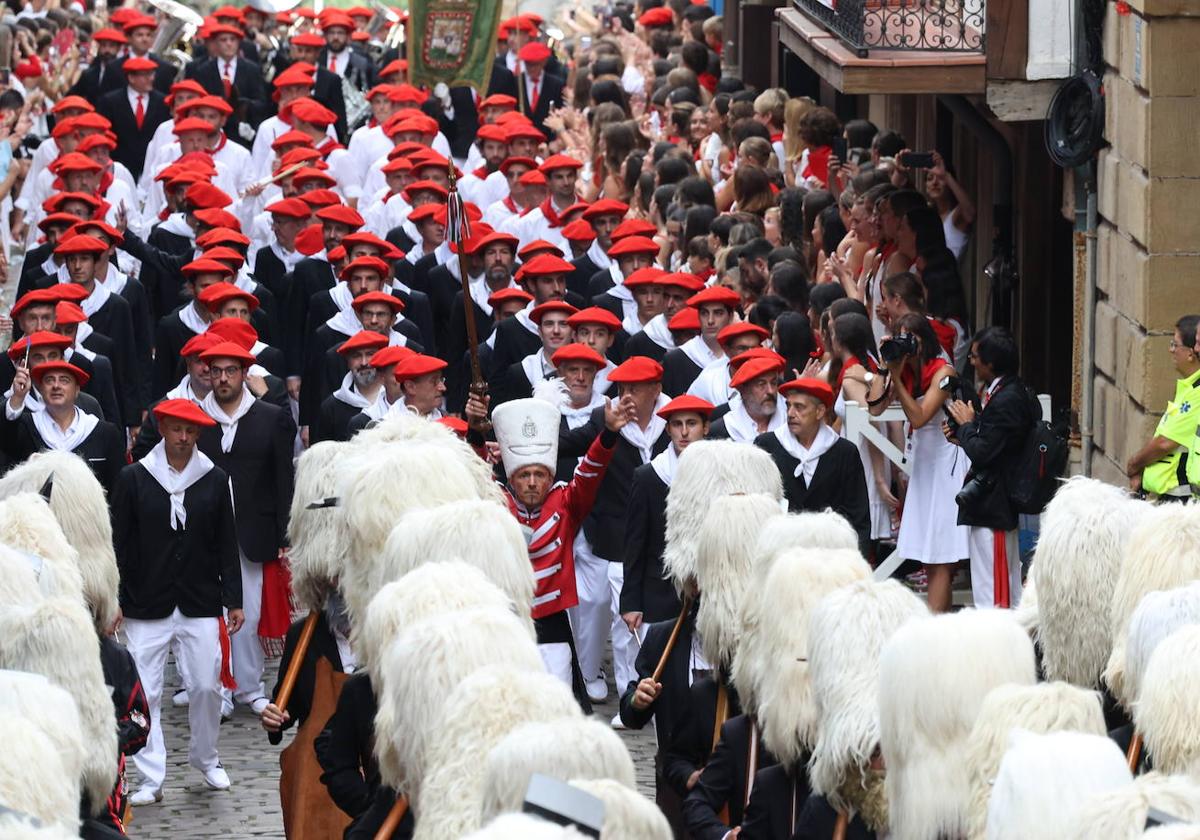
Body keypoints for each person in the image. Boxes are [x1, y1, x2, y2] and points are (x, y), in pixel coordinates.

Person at [112, 398, 242, 804]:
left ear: (198, 434)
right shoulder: (134, 478)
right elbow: (120, 543)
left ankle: (206, 757)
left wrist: (233, 599)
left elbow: (226, 541)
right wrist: (114, 596)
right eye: (176, 429)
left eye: (191, 431)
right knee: (146, 692)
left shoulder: (215, 478)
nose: (183, 438)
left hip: (200, 598)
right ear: (163, 429)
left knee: (207, 684)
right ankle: (151, 776)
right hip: (144, 600)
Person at [466, 388, 633, 696]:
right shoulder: (497, 502)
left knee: (556, 701)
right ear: (512, 479)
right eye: (524, 475)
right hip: (508, 615)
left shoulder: (566, 503)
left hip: (552, 617)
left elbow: (590, 472)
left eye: (539, 474)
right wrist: (475, 432)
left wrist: (608, 434)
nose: (532, 482)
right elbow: (476, 475)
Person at [195, 341, 295, 719]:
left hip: (255, 531)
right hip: (206, 532)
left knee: (249, 613)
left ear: (244, 374)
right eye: (216, 371)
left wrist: (285, 534)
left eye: (230, 371)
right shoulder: (196, 420)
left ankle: (249, 687)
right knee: (211, 614)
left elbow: (283, 479)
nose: (222, 378)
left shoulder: (270, 417)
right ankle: (219, 687)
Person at [944, 326, 1037, 609]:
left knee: (995, 593)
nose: (971, 362)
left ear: (991, 363)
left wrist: (968, 427)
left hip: (995, 505)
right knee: (997, 584)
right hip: (995, 502)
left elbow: (985, 452)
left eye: (974, 357)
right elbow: (995, 444)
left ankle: (999, 648)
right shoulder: (1010, 391)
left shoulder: (1008, 399)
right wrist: (964, 434)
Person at [621, 394, 713, 632]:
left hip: (709, 596)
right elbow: (635, 543)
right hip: (659, 595)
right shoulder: (648, 476)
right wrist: (631, 602)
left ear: (705, 428)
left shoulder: (721, 473)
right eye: (676, 424)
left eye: (691, 423)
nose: (684, 432)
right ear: (668, 430)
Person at [1, 360, 126, 494]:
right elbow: (6, 440)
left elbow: (118, 489)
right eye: (49, 380)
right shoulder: (25, 426)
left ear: (77, 390)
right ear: (41, 390)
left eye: (64, 380)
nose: (56, 386)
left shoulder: (105, 433)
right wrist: (18, 397)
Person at [1128, 314, 1200, 500]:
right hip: (1171, 496)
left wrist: (1134, 464)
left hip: (1182, 500)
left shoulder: (1197, 394)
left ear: (1191, 353)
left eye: (1175, 344)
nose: (1171, 350)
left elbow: (1165, 443)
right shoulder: (1189, 387)